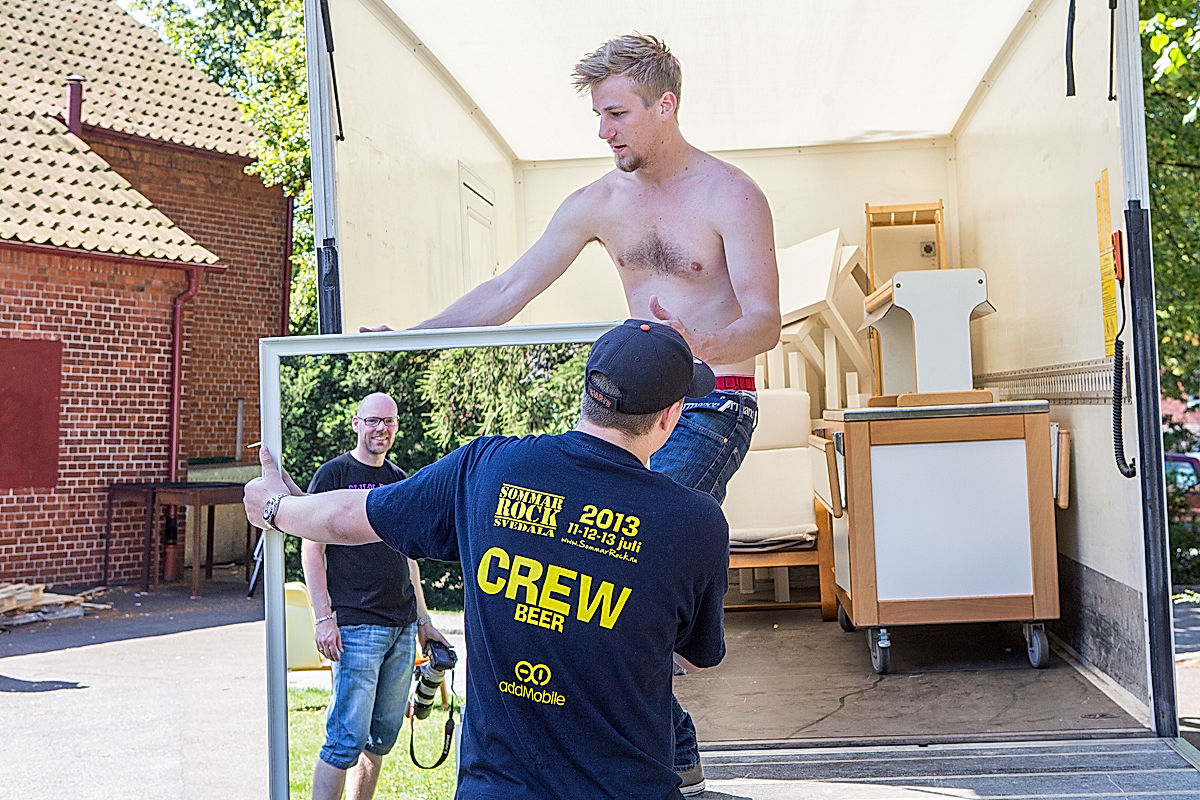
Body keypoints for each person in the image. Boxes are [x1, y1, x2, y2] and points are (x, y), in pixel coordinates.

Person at [387, 33, 782, 793]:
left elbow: (766, 318)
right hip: (635, 414)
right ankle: (676, 762)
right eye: (599, 115)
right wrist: (411, 335)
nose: (604, 130)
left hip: (712, 403)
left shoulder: (732, 194)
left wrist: (701, 345)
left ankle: (656, 764)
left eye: (617, 113)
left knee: (618, 566)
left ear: (665, 107)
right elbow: (507, 292)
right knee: (596, 580)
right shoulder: (599, 203)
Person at [247, 320, 729, 800]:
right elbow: (696, 656)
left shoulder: (487, 466)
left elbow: (349, 517)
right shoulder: (695, 522)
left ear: (588, 390)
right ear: (670, 416)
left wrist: (275, 509)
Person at [300, 392, 449, 800]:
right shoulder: (333, 476)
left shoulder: (399, 479)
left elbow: (409, 556)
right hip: (356, 625)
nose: (381, 428)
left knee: (380, 738)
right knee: (345, 739)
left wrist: (423, 621)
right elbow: (311, 547)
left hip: (401, 626)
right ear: (356, 423)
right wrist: (323, 617)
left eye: (389, 421)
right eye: (372, 421)